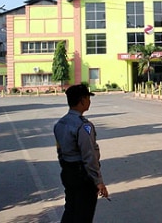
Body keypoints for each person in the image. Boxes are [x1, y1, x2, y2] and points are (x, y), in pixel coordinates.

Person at [53, 84, 109, 222]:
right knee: (84, 214)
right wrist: (98, 181)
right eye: (88, 98)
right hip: (83, 176)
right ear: (82, 100)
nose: (89, 101)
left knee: (71, 209)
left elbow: (60, 151)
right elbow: (89, 156)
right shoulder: (85, 126)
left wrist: (66, 168)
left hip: (68, 172)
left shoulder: (60, 124)